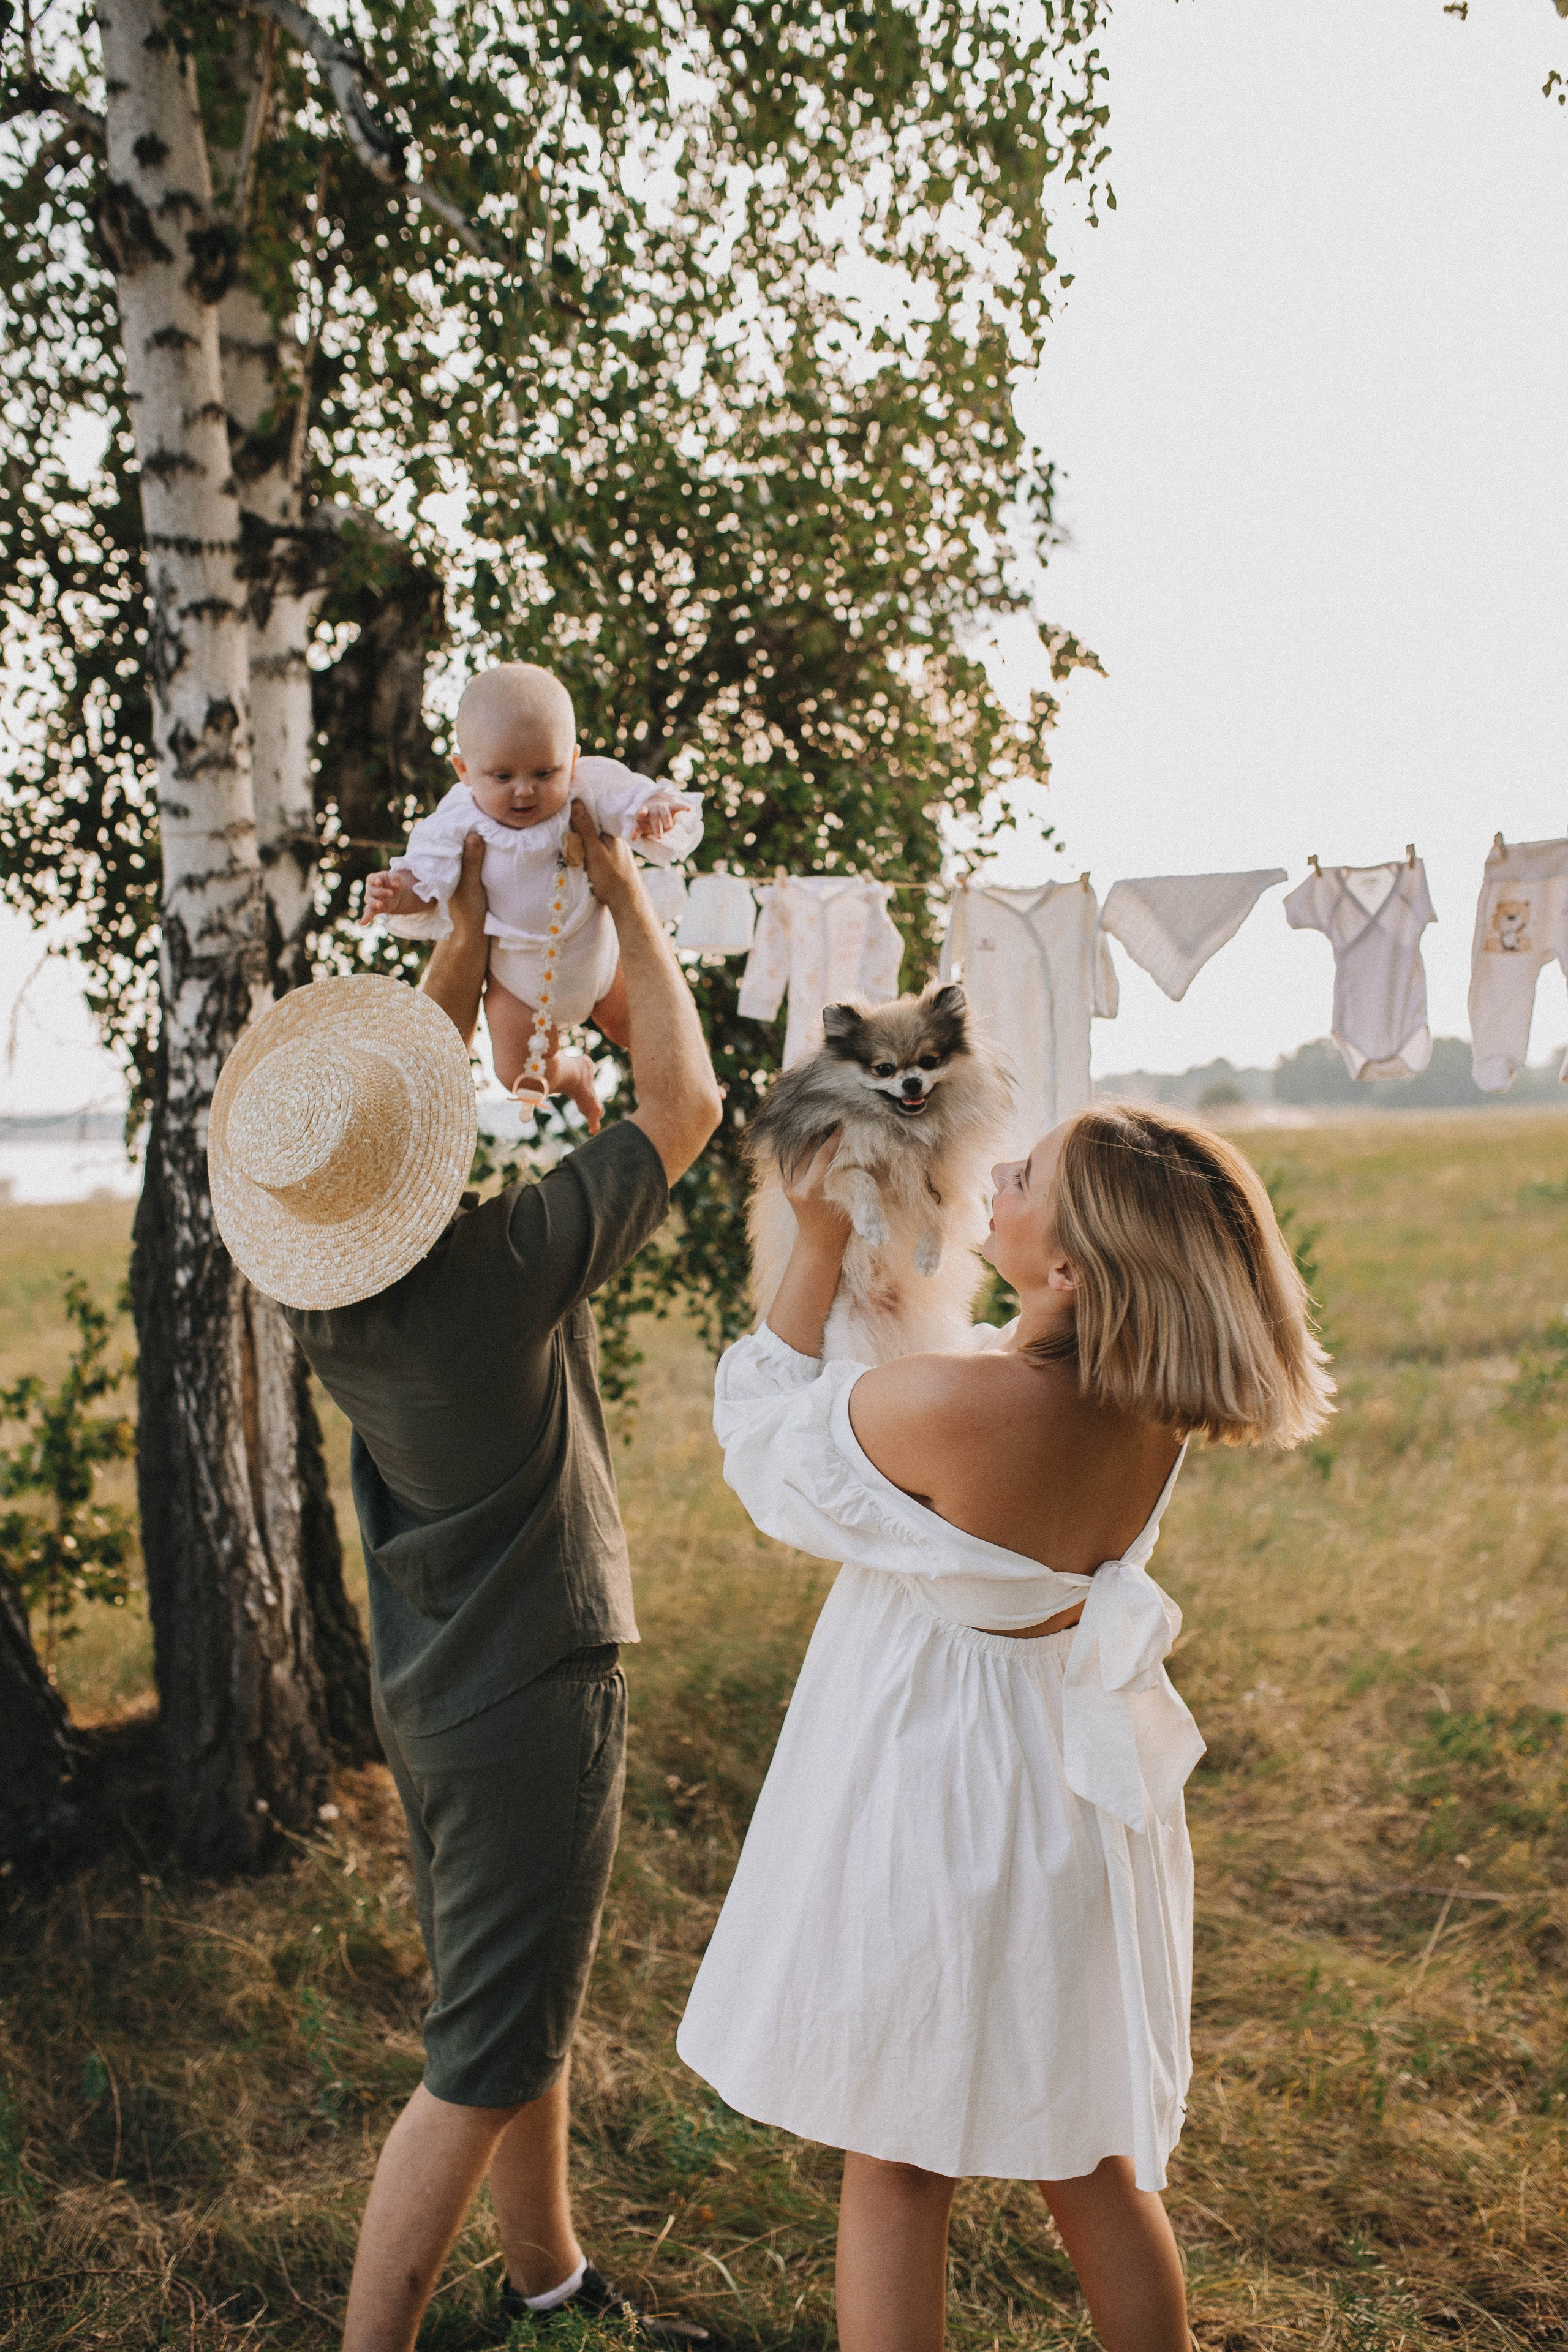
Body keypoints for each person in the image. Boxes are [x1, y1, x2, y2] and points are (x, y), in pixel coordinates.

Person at [677, 1105, 1334, 2352]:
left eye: (1025, 1176)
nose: (998, 1173)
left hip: (944, 1788)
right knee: (1089, 2152)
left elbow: (762, 1447)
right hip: (1067, 1789)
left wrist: (813, 1244)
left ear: (1072, 1268)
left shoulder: (953, 1404)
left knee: (897, 2157)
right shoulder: (1147, 1399)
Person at [207, 804, 722, 2352]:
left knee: (518, 1997)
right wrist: (619, 883)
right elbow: (686, 1103)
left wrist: (450, 956)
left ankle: (547, 2275)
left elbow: (398, 1132)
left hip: (435, 1693)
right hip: (531, 1698)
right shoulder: (496, 1270)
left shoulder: (327, 1296)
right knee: (480, 2057)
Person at [363, 663, 702, 1124]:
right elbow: (429, 880)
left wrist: (652, 807)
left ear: (573, 759)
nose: (524, 791)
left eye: (545, 772)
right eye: (502, 777)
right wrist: (395, 893)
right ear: (464, 771)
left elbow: (630, 799)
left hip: (594, 956)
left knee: (645, 1031)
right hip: (516, 978)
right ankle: (572, 1073)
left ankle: (695, 1089)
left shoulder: (587, 786)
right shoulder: (457, 819)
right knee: (518, 1073)